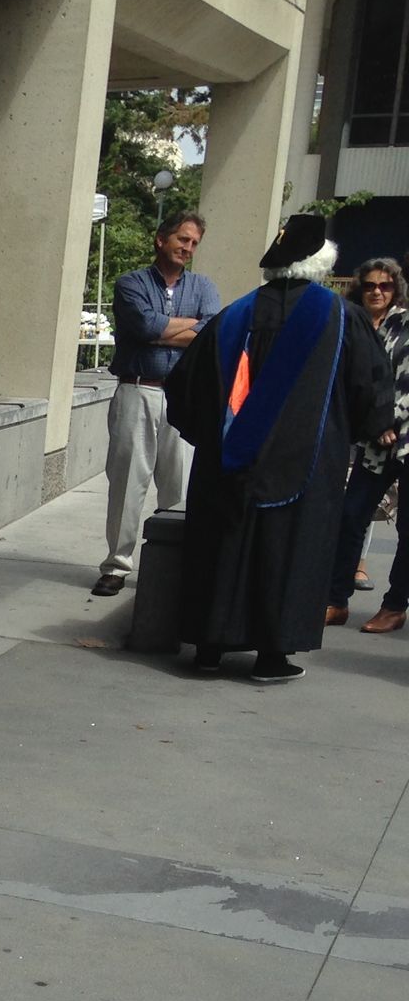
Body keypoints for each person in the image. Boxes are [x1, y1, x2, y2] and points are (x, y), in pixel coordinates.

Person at [166, 214, 391, 682]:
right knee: (288, 551)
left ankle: (209, 650)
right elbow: (370, 391)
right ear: (321, 262)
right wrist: (365, 429)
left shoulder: (233, 316)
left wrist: (214, 438)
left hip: (228, 464)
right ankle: (271, 656)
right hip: (308, 462)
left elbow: (185, 391)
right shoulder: (339, 316)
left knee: (223, 548)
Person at [93, 211, 219, 597]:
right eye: (182, 239)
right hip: (137, 389)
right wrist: (182, 327)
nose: (188, 248)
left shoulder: (203, 285)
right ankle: (117, 565)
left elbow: (211, 329)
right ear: (161, 239)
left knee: (177, 483)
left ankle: (174, 565)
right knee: (128, 481)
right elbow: (144, 327)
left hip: (184, 395)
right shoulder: (131, 282)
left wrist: (162, 330)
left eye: (194, 243)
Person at [326, 257, 409, 633]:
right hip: (372, 441)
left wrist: (389, 420)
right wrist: (373, 424)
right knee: (350, 516)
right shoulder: (352, 321)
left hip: (403, 437)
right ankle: (336, 599)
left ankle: (394, 606)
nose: (377, 291)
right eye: (371, 285)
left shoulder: (404, 323)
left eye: (385, 286)